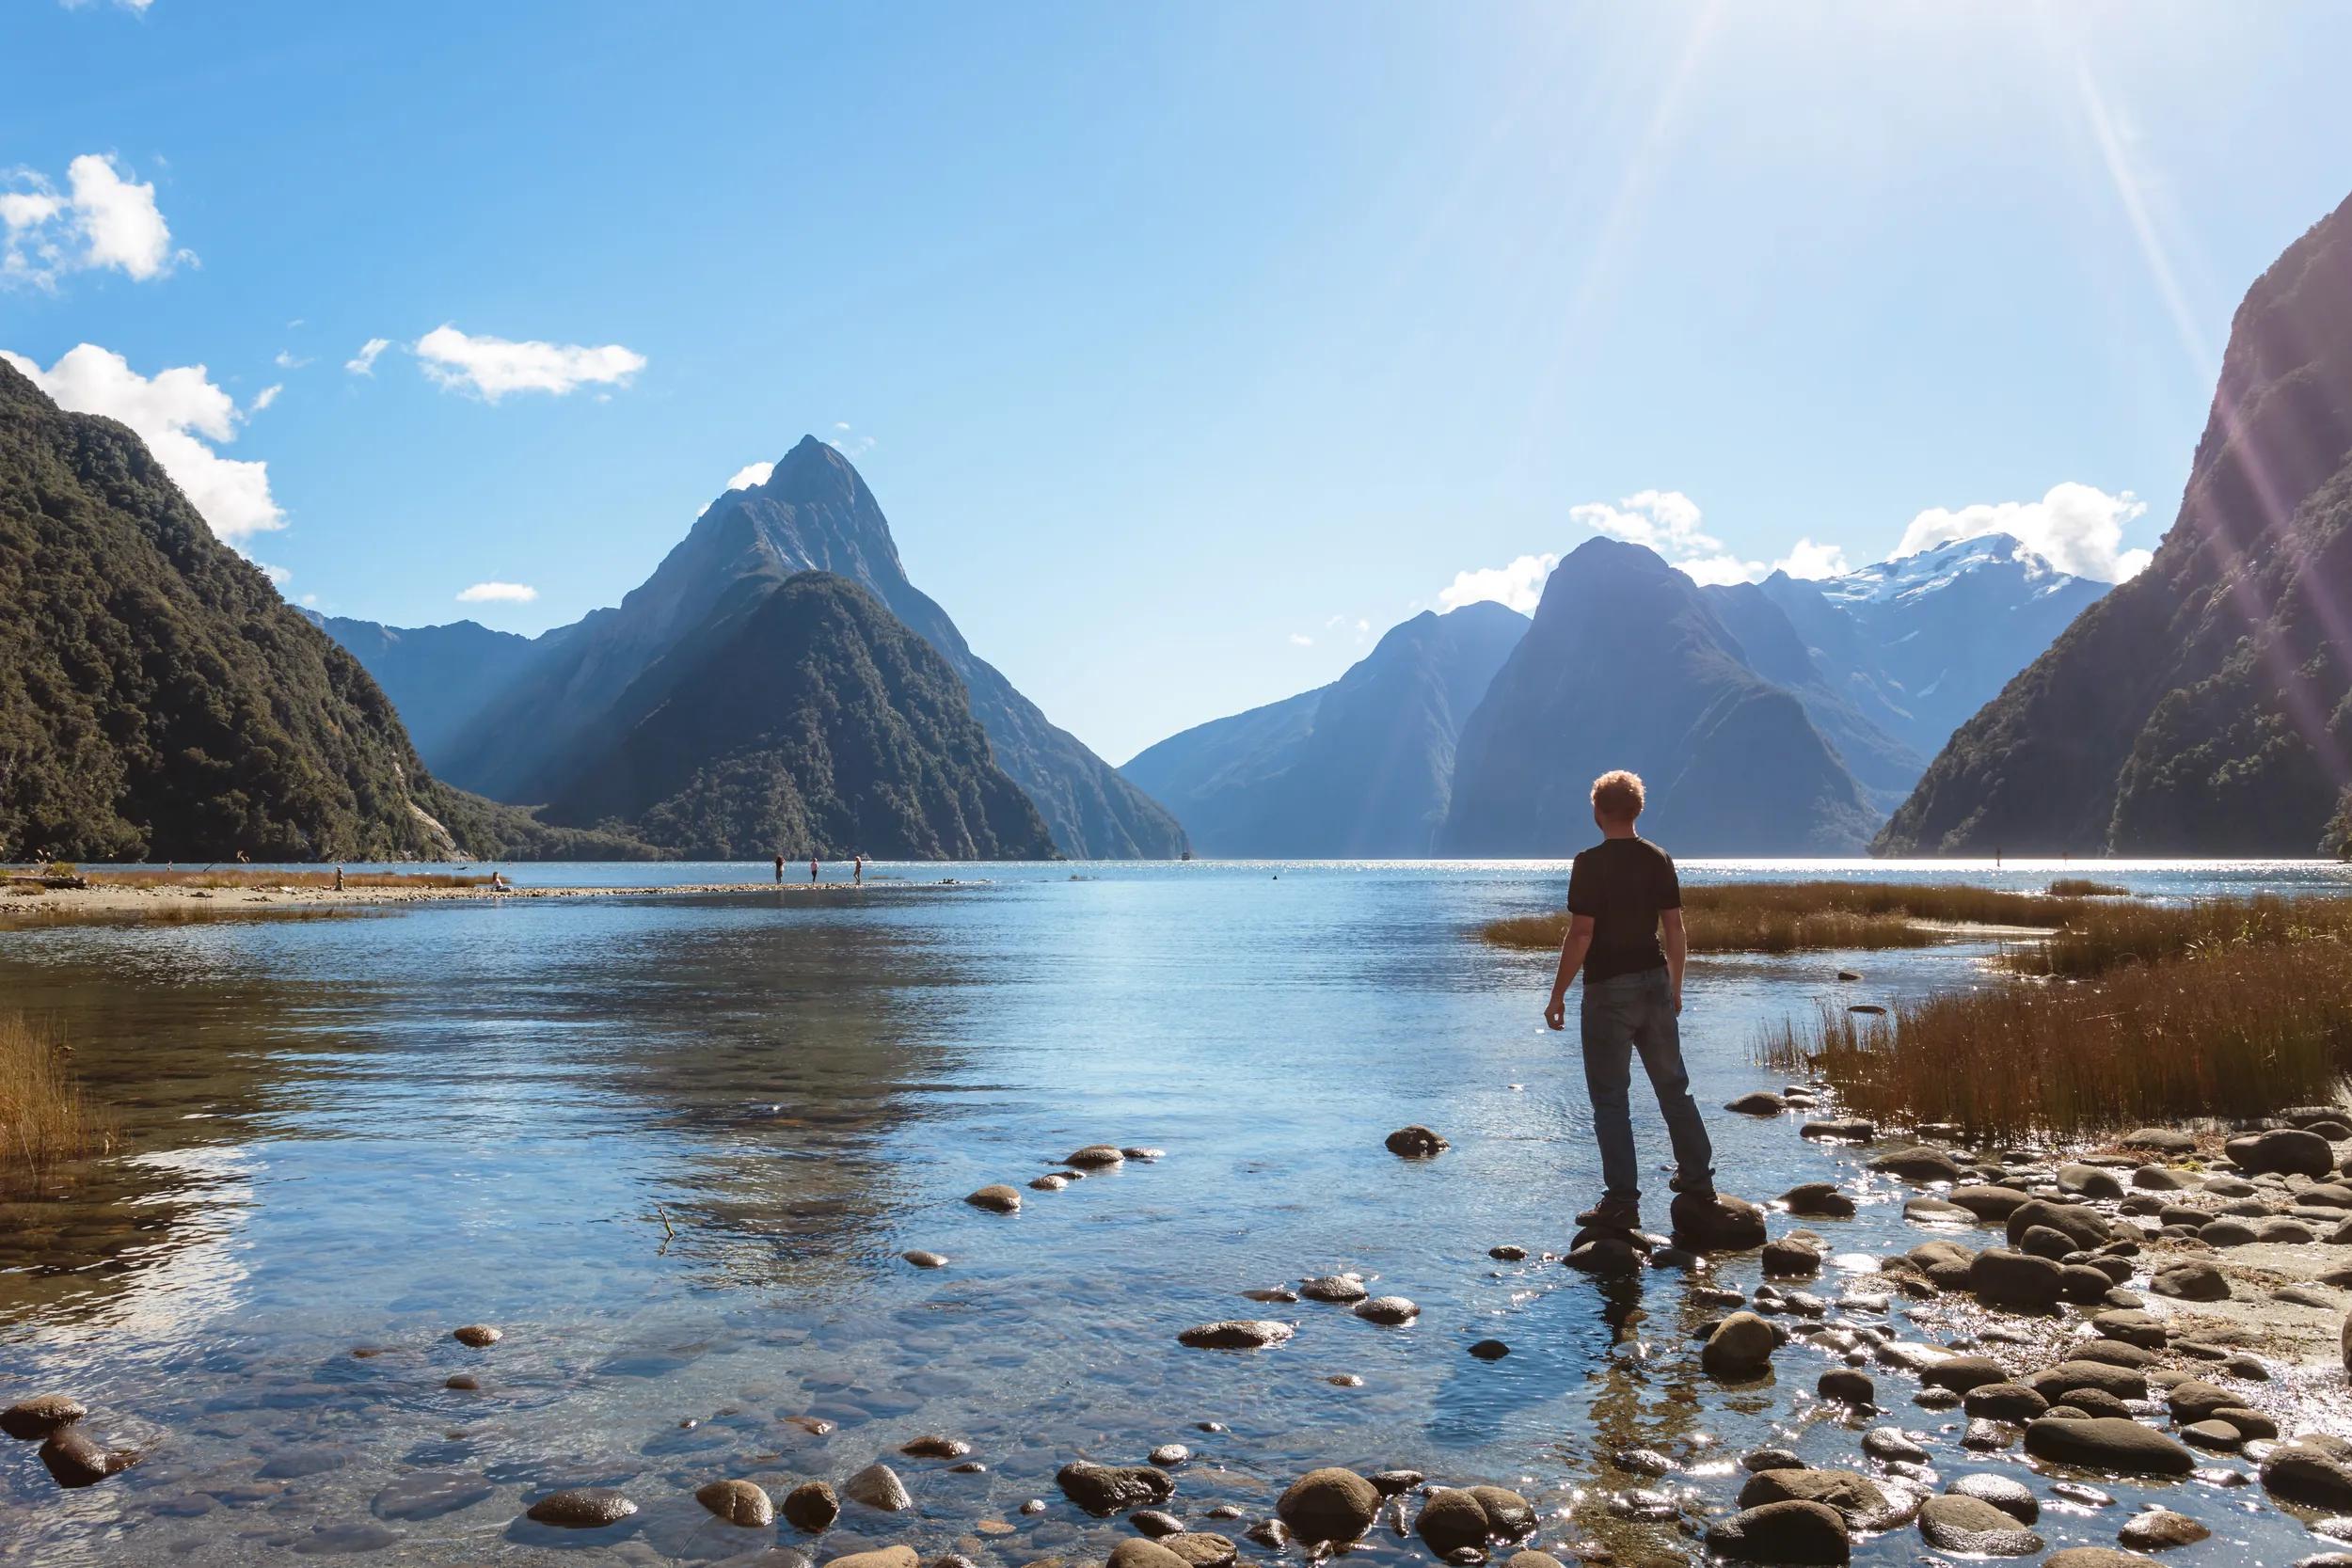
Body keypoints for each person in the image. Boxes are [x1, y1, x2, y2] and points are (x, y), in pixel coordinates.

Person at [1542, 769, 1714, 1231]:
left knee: (1611, 1099)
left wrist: (1557, 994)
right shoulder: (1658, 858)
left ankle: (1622, 1201)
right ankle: (1698, 1180)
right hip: (1654, 984)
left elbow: (1581, 933)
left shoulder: (1589, 863)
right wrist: (1675, 985)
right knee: (1674, 1087)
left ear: (1598, 811)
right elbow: (1674, 929)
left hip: (1607, 992)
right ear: (1637, 809)